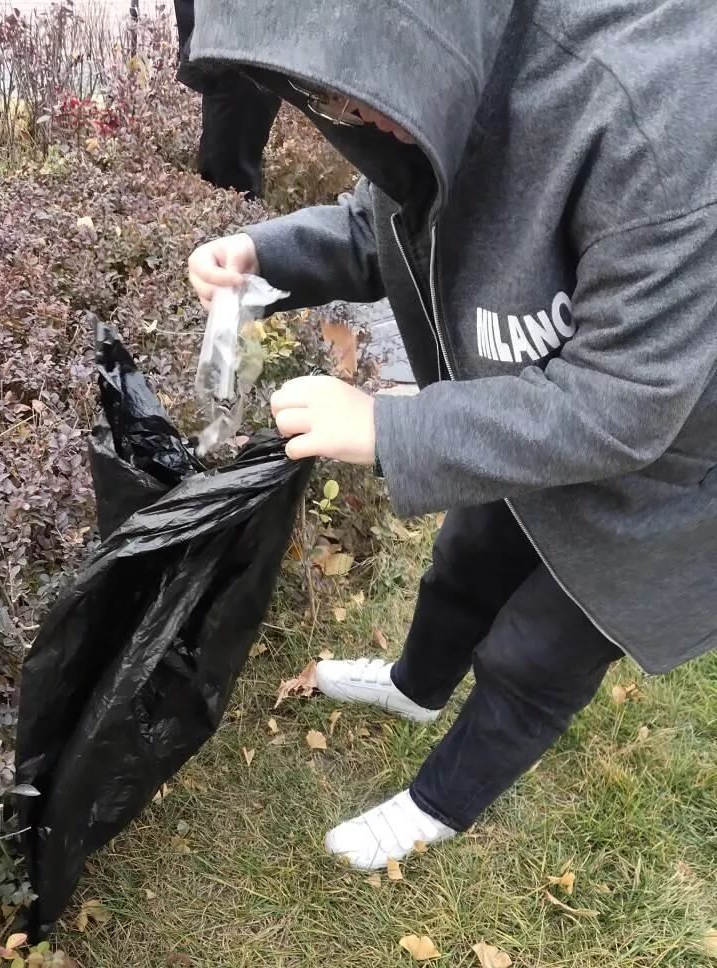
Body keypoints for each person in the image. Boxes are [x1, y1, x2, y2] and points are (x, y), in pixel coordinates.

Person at [186, 0, 717, 869]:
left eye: (356, 100)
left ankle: (438, 805)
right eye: (334, 102)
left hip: (675, 473)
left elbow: (625, 406)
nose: (352, 117)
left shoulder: (657, 127)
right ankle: (416, 688)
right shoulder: (454, 59)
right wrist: (262, 254)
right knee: (468, 557)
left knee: (537, 654)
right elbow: (387, 222)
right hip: (534, 405)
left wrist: (391, 427)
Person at [173, 0, 281, 198]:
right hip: (230, 40)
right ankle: (227, 202)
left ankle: (230, 204)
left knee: (231, 176)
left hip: (241, 42)